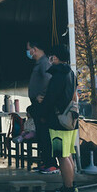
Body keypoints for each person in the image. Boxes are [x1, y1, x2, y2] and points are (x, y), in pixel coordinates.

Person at [41, 44, 80, 192]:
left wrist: (42, 110)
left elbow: (51, 98)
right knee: (67, 154)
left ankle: (69, 190)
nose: (50, 59)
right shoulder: (71, 73)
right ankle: (70, 187)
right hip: (70, 120)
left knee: (61, 156)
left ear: (56, 57)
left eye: (52, 56)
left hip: (58, 122)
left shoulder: (58, 75)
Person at [26, 39, 57, 174]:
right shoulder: (40, 63)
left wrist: (42, 95)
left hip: (42, 105)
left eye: (28, 49)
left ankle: (51, 164)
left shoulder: (44, 62)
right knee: (41, 134)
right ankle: (45, 162)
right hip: (37, 104)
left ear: (35, 48)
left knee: (45, 134)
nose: (28, 52)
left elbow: (48, 79)